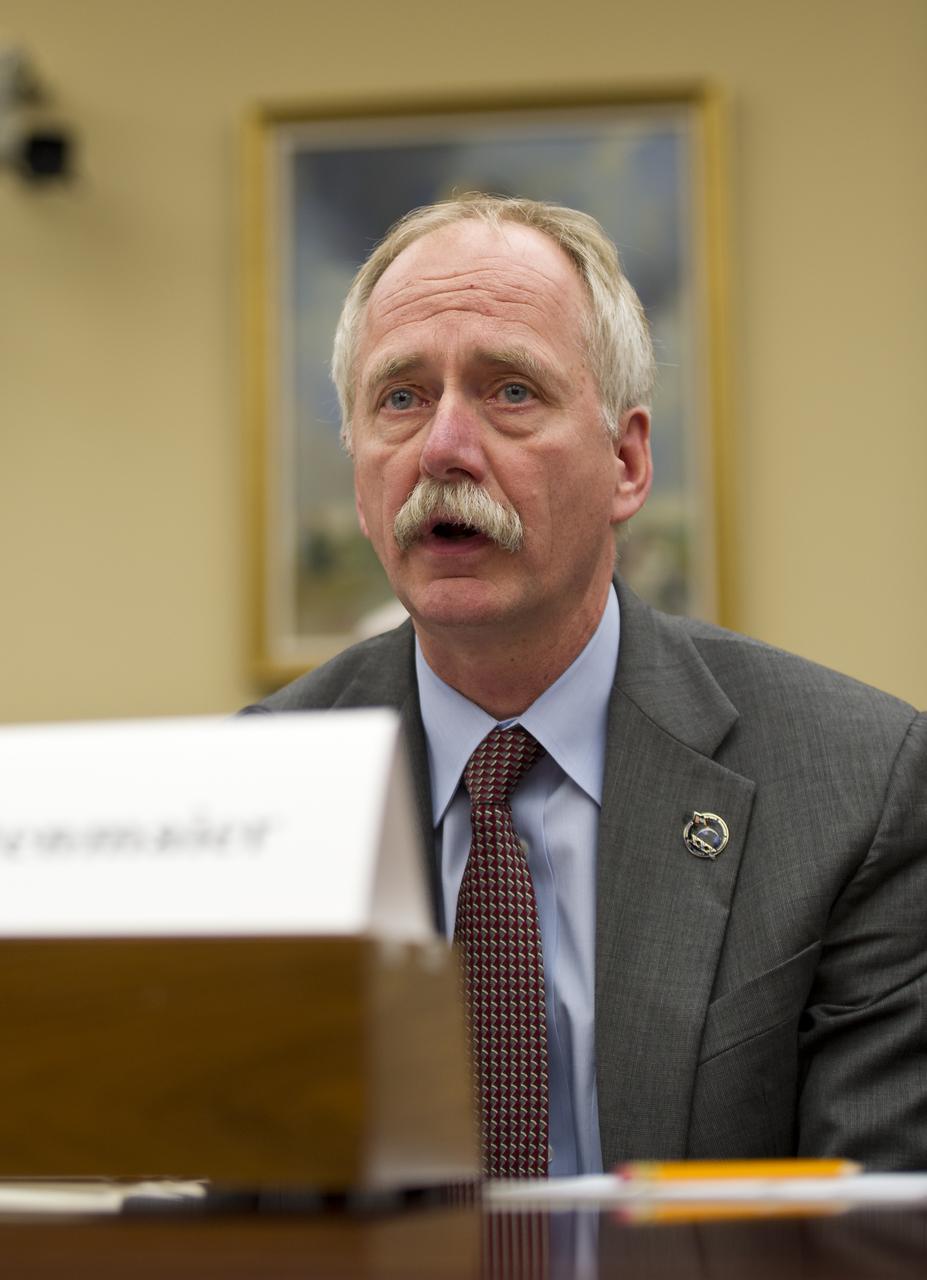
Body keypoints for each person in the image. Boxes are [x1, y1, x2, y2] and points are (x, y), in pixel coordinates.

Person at [244, 195, 926, 1176]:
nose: (442, 447)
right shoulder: (266, 784)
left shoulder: (856, 788)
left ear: (627, 461)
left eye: (510, 390)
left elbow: (877, 1226)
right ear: (361, 483)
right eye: (400, 397)